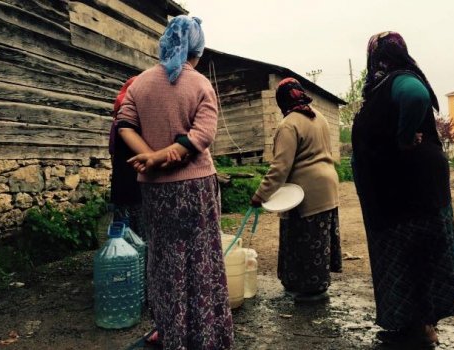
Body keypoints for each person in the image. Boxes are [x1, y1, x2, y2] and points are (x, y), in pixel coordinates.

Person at [117, 15, 233, 350]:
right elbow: (202, 136)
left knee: (165, 260)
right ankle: (206, 337)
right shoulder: (200, 85)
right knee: (202, 260)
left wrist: (150, 157)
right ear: (198, 48)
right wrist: (163, 155)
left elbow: (124, 124)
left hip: (155, 189)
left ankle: (171, 335)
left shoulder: (139, 84)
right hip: (196, 187)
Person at [351, 31, 454, 347]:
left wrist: (402, 139)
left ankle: (422, 327)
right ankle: (408, 323)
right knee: (404, 255)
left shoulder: (400, 79)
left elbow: (415, 96)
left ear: (376, 57)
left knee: (414, 254)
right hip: (395, 193)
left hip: (408, 193)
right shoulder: (380, 90)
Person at [251, 78, 342, 302]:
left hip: (305, 193)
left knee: (304, 241)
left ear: (282, 100)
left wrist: (260, 195)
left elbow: (280, 167)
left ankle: (306, 291)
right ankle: (318, 287)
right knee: (319, 242)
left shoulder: (288, 125)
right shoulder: (318, 117)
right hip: (328, 186)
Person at [108, 77, 144, 236]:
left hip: (121, 184)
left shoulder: (117, 119)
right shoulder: (134, 118)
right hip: (138, 182)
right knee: (140, 234)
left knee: (122, 231)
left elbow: (112, 151)